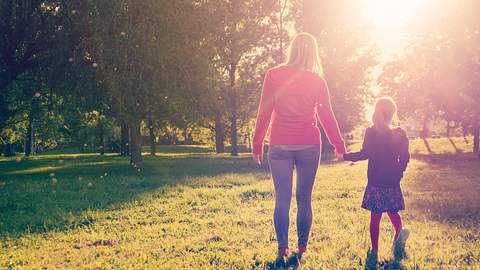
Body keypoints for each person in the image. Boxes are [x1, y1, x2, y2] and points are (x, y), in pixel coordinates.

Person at [252, 32, 346, 269]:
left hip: (279, 145)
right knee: (304, 199)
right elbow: (327, 114)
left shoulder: (273, 75)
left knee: (282, 198)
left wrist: (257, 143)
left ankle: (283, 248)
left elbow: (264, 110)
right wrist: (338, 143)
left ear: (292, 49)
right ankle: (302, 247)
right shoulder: (317, 81)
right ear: (313, 52)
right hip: (309, 145)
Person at [339, 97, 410, 267]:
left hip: (376, 182)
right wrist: (399, 173)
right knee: (393, 212)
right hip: (392, 182)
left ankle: (375, 249)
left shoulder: (371, 131)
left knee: (375, 218)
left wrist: (345, 156)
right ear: (392, 114)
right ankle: (398, 236)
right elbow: (405, 157)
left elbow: (365, 153)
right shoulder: (400, 134)